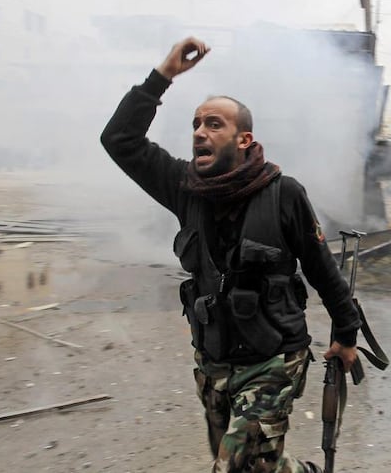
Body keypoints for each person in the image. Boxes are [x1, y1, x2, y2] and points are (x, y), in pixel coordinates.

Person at [100, 37, 361, 473]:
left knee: (232, 467)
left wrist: (346, 333)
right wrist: (162, 75)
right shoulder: (184, 188)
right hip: (214, 361)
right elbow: (120, 139)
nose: (200, 132)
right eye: (196, 124)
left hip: (274, 358)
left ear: (244, 139)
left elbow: (321, 268)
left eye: (214, 124)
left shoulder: (284, 193)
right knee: (257, 465)